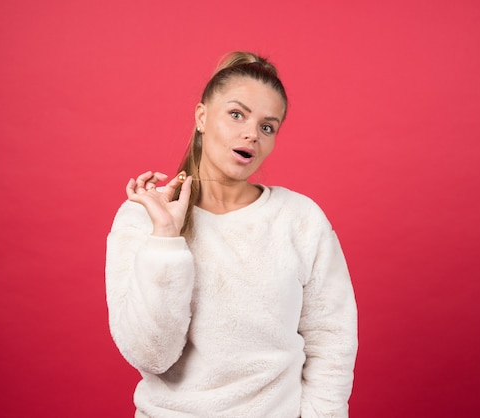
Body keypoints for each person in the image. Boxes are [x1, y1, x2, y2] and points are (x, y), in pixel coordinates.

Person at [105, 51, 358, 418]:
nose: (251, 134)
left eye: (267, 126)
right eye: (236, 114)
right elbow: (152, 355)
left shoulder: (300, 219)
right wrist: (165, 239)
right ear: (202, 117)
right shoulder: (143, 216)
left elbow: (331, 341)